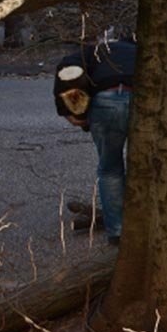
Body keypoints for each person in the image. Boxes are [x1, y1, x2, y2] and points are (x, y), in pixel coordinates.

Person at [53, 38, 136, 246]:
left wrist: (70, 113)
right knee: (145, 166)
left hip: (105, 102)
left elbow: (66, 71)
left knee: (110, 169)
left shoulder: (91, 51)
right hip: (140, 98)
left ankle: (117, 232)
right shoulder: (139, 47)